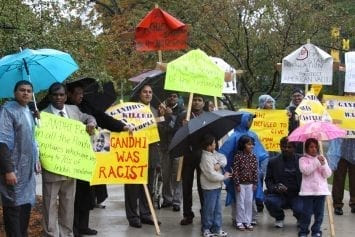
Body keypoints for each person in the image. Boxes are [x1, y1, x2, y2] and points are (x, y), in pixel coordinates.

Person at [66, 82, 130, 236]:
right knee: (72, 195)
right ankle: (72, 228)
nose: (81, 96)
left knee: (86, 192)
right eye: (77, 93)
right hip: (69, 157)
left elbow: (102, 117)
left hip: (87, 156)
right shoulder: (63, 109)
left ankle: (83, 225)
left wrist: (121, 126)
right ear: (69, 94)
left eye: (82, 93)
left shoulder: (86, 106)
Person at [41, 82, 96, 237]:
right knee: (49, 205)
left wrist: (91, 123)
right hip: (52, 167)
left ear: (66, 96)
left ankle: (67, 233)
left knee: (68, 206)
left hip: (71, 169)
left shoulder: (74, 110)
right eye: (55, 94)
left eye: (61, 94)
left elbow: (88, 117)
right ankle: (51, 234)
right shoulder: (43, 115)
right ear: (50, 96)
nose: (58, 97)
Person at [0, 80, 39, 237]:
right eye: (22, 90)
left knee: (25, 208)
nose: (26, 93)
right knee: (13, 209)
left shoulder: (28, 111)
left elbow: (31, 140)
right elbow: (2, 142)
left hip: (27, 172)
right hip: (13, 171)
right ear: (15, 93)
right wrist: (8, 170)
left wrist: (36, 161)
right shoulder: (7, 111)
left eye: (29, 91)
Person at [219, 112, 269, 226]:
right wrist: (229, 171)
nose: (251, 122)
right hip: (238, 177)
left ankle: (251, 217)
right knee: (238, 198)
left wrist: (261, 170)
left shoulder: (253, 135)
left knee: (250, 198)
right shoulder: (234, 137)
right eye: (249, 119)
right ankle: (237, 219)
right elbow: (223, 154)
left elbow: (262, 154)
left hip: (252, 176)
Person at [124, 84, 161, 228]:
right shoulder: (130, 110)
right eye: (145, 92)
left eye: (150, 92)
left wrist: (165, 117)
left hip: (150, 153)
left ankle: (146, 214)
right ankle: (133, 216)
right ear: (140, 94)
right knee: (132, 187)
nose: (148, 94)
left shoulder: (155, 111)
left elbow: (160, 136)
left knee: (148, 186)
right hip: (133, 153)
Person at [174, 94, 205, 225]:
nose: (197, 103)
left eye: (200, 100)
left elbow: (212, 136)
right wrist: (183, 127)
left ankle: (205, 212)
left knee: (203, 186)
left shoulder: (207, 116)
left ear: (203, 103)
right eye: (195, 100)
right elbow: (175, 134)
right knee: (186, 186)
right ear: (190, 102)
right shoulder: (183, 116)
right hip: (186, 155)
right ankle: (188, 214)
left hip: (203, 155)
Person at [264, 137, 303, 228]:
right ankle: (279, 217)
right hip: (280, 195)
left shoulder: (302, 160)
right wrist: (275, 187)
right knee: (269, 200)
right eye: (284, 146)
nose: (286, 149)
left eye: (289, 147)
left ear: (294, 148)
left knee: (302, 208)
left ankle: (300, 219)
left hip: (297, 194)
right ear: (280, 147)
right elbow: (268, 180)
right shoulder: (273, 162)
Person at [298, 138, 332, 237]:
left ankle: (316, 231)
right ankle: (303, 231)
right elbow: (306, 171)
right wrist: (317, 162)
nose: (314, 149)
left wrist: (323, 164)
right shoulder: (302, 159)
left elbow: (327, 174)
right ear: (307, 148)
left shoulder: (322, 158)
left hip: (321, 192)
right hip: (308, 192)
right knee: (306, 214)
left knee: (319, 214)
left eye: (316, 147)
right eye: (311, 147)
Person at [158, 91, 185, 212]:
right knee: (166, 174)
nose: (172, 98)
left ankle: (176, 200)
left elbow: (179, 129)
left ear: (178, 98)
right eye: (170, 96)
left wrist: (171, 116)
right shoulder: (161, 110)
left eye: (175, 96)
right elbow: (161, 130)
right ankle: (167, 199)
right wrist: (163, 116)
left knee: (177, 175)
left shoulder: (183, 112)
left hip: (178, 147)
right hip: (165, 148)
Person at [200, 134, 230, 237]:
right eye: (213, 143)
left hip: (217, 187)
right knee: (209, 209)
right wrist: (224, 177)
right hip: (209, 188)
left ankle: (217, 228)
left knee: (217, 209)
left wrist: (219, 164)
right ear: (208, 146)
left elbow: (223, 158)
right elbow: (211, 175)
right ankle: (206, 229)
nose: (215, 144)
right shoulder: (205, 158)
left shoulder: (214, 153)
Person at [232, 135, 258, 231]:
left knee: (248, 203)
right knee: (240, 203)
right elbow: (236, 171)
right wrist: (237, 184)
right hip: (240, 185)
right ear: (243, 145)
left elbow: (255, 170)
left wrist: (255, 183)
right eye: (249, 144)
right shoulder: (238, 156)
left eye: (252, 144)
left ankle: (248, 221)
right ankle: (239, 221)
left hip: (250, 184)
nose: (251, 146)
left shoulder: (253, 157)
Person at [327, 137, 355, 215]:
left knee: (354, 180)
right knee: (339, 179)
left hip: (353, 151)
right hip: (340, 153)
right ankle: (337, 205)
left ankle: (354, 203)